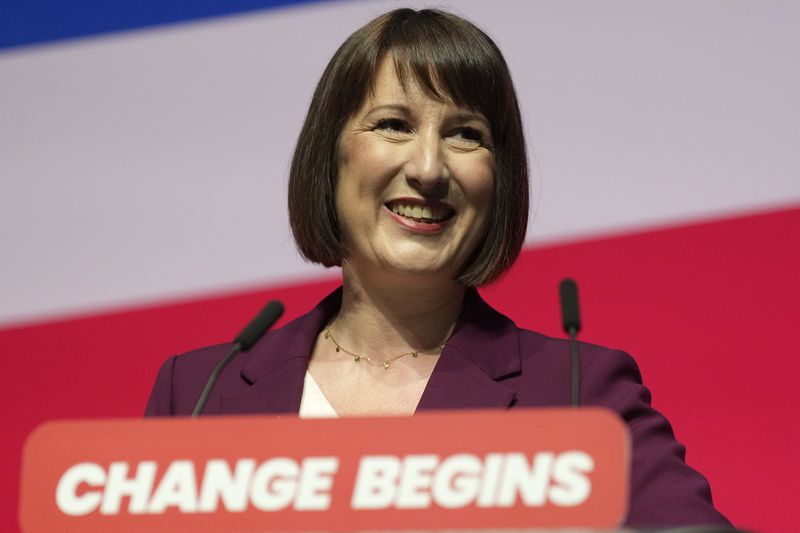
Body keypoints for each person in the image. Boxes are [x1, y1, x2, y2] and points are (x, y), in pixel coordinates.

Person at [146, 8, 730, 529]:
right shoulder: (200, 392)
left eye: (465, 135)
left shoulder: (579, 394)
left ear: (499, 180)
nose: (428, 168)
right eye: (394, 124)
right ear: (331, 154)